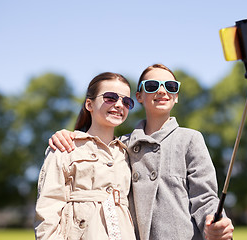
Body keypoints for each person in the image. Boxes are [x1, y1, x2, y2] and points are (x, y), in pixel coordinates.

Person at [49, 64, 234, 240]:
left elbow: (205, 197)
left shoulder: (190, 139)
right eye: (152, 86)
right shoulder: (121, 146)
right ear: (139, 96)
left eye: (170, 86)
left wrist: (215, 222)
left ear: (176, 96)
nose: (162, 91)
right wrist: (68, 136)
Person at [35, 72, 136, 240]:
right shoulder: (65, 147)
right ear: (89, 104)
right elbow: (48, 209)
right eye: (110, 97)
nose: (119, 105)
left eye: (126, 101)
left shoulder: (129, 152)